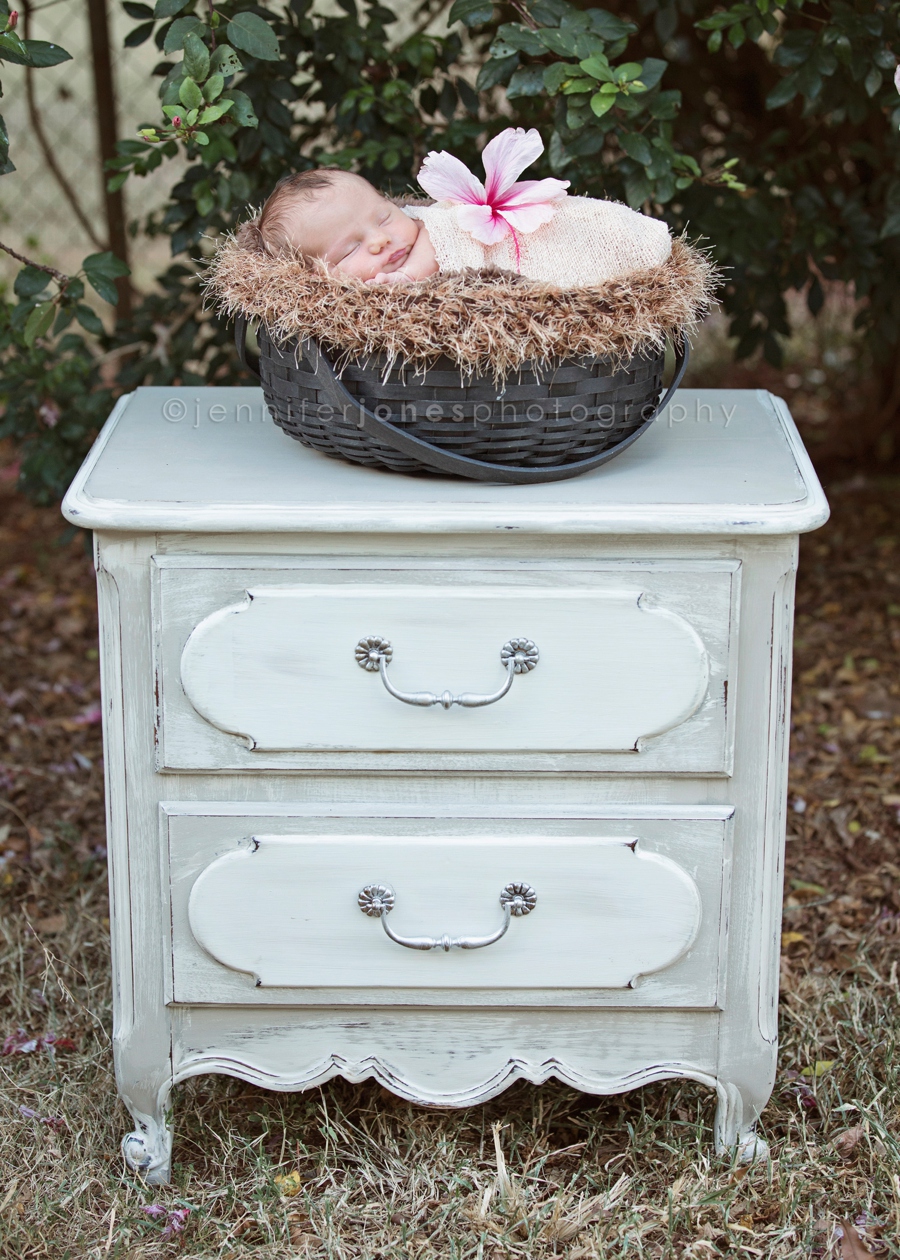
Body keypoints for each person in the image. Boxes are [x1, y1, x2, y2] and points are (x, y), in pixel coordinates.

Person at [243, 128, 672, 290]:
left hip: (526, 236)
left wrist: (407, 278)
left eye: (383, 216)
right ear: (316, 275)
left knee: (578, 230)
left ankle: (631, 240)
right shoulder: (344, 301)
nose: (381, 240)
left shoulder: (426, 231)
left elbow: (440, 236)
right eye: (348, 250)